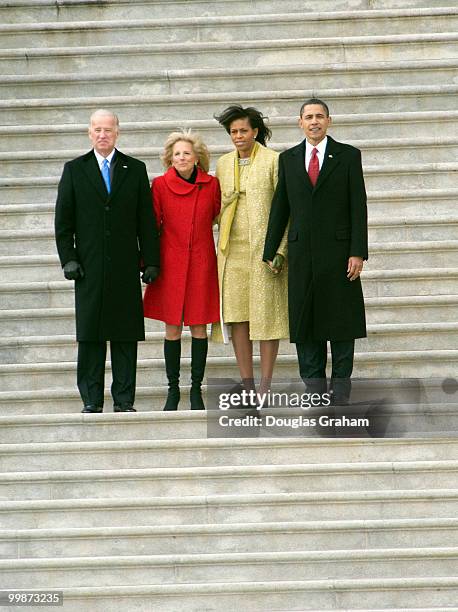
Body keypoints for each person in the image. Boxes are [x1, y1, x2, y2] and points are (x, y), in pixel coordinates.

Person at [263, 98, 368, 405]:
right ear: (300, 123)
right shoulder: (289, 159)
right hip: (301, 257)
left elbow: (357, 206)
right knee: (305, 326)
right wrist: (270, 249)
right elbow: (280, 206)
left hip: (338, 257)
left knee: (341, 325)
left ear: (328, 121)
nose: (314, 121)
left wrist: (358, 252)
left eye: (319, 116)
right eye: (308, 117)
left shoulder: (348, 156)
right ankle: (314, 394)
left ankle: (340, 393)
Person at [55, 109, 159, 413]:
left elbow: (146, 221)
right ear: (89, 133)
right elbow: (63, 222)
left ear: (118, 132)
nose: (103, 135)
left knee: (125, 335)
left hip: (126, 266)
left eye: (108, 130)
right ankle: (91, 399)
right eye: (97, 129)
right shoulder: (75, 169)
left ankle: (124, 400)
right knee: (90, 335)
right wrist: (68, 259)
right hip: (88, 268)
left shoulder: (135, 169)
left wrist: (151, 260)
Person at [212, 105, 289, 400]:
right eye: (233, 132)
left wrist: (280, 250)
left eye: (243, 130)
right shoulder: (222, 163)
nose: (238, 136)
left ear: (255, 132)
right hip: (232, 252)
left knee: (266, 317)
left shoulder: (274, 161)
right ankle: (247, 386)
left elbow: (285, 210)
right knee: (238, 318)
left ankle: (266, 386)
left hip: (264, 252)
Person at [143, 131, 220, 411]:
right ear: (169, 158)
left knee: (199, 327)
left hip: (201, 261)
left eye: (187, 153)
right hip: (171, 262)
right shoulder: (160, 185)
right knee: (172, 327)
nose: (182, 158)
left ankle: (196, 389)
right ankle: (173, 390)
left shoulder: (211, 185)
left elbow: (213, 216)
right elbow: (152, 225)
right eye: (177, 154)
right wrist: (148, 262)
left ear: (197, 157)